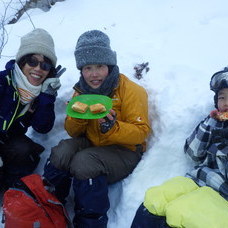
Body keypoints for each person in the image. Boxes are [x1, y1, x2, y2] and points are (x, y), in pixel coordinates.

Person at [43, 29, 151, 228]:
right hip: (93, 143)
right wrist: (79, 117)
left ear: (109, 65)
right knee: (62, 151)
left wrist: (113, 127)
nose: (93, 74)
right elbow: (72, 132)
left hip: (125, 151)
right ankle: (48, 205)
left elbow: (141, 132)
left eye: (100, 66)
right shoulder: (81, 92)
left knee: (84, 162)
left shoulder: (131, 90)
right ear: (81, 70)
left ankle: (90, 222)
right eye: (87, 68)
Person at [131, 68, 228, 228]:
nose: (225, 103)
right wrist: (210, 126)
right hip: (198, 179)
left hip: (223, 193)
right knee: (155, 200)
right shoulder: (213, 123)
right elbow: (193, 154)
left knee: (181, 214)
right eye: (222, 97)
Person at [0, 28, 64, 189]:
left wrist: (47, 97)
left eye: (45, 64)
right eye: (32, 61)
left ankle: (9, 190)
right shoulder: (3, 82)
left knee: (26, 151)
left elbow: (42, 127)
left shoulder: (40, 94)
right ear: (22, 62)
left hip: (8, 142)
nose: (38, 68)